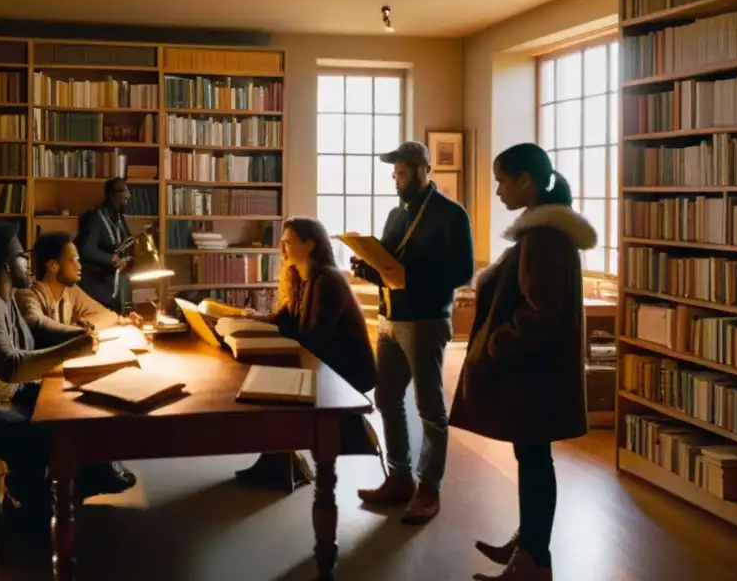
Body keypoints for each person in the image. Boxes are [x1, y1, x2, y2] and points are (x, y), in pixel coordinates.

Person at [449, 143, 594, 581]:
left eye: (502, 180)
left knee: (534, 463)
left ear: (526, 181)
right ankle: (530, 546)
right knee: (532, 461)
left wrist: (495, 345)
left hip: (534, 378)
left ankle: (533, 559)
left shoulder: (544, 237)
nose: (497, 190)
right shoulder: (543, 232)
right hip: (536, 376)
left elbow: (540, 312)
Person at [0, 222, 131, 532]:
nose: (28, 261)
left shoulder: (5, 298)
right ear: (6, 265)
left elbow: (34, 337)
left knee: (73, 411)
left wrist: (77, 342)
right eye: (21, 256)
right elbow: (11, 367)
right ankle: (29, 513)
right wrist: (75, 347)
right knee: (43, 435)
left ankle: (75, 489)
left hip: (3, 398)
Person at [353, 140, 474, 524]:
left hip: (425, 320)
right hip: (390, 318)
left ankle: (429, 488)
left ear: (424, 170)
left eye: (402, 172)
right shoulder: (396, 214)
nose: (395, 178)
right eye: (394, 172)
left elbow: (462, 272)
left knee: (429, 407)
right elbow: (388, 261)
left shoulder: (451, 215)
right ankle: (401, 477)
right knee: (387, 399)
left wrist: (411, 276)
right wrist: (368, 268)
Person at [233, 217, 379, 491]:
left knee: (277, 385)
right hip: (325, 362)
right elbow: (286, 318)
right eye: (282, 244)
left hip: (346, 371)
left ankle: (278, 463)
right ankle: (277, 462)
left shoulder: (327, 280)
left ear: (310, 244)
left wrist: (269, 334)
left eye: (288, 243)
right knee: (275, 380)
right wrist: (249, 321)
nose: (282, 249)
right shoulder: (302, 276)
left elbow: (314, 337)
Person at [15, 230, 139, 492]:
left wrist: (120, 321)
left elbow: (105, 315)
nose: (80, 266)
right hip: (31, 384)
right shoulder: (30, 295)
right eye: (74, 260)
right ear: (53, 266)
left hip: (56, 377)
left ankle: (93, 470)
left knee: (103, 392)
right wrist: (83, 334)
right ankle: (88, 473)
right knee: (89, 402)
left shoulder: (70, 293)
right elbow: (38, 324)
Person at [77, 177, 133, 312]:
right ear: (111, 195)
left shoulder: (120, 219)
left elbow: (127, 243)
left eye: (128, 191)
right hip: (96, 287)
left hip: (114, 284)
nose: (128, 195)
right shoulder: (94, 219)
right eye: (123, 191)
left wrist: (126, 259)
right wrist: (111, 259)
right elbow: (86, 249)